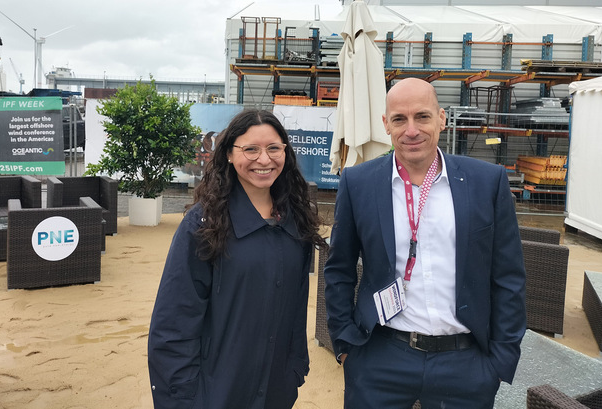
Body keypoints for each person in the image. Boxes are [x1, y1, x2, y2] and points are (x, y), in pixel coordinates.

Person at [324, 78, 526, 408]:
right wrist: (346, 344)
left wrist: (500, 360)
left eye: (422, 116)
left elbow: (508, 277)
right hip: (380, 358)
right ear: (386, 124)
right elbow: (339, 269)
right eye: (400, 119)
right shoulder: (358, 183)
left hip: (466, 363)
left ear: (442, 118)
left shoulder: (487, 182)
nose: (412, 130)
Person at [148, 109, 326, 409]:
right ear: (229, 154)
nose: (264, 159)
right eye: (251, 149)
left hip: (275, 391)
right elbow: (173, 324)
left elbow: (296, 307)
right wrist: (182, 398)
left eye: (273, 148)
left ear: (286, 152)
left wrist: (295, 368)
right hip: (215, 392)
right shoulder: (203, 225)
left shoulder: (296, 221)